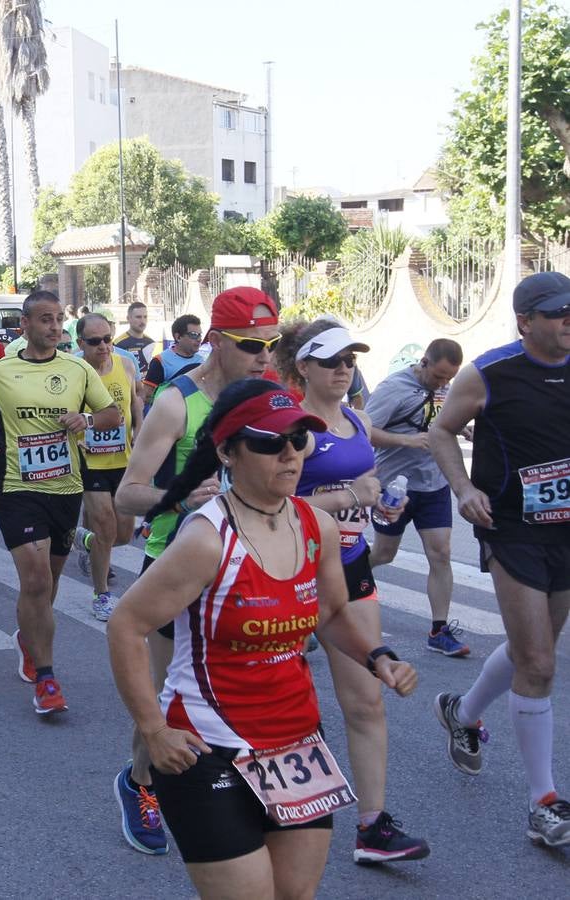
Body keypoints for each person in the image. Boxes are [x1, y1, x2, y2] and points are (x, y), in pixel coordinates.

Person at [108, 378, 418, 900]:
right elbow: (125, 626)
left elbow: (332, 613)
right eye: (270, 442)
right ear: (228, 452)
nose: (290, 454)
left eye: (299, 440)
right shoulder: (206, 540)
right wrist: (154, 730)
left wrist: (376, 655)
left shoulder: (315, 524)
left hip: (296, 743)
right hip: (208, 746)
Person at [111, 286, 281, 856]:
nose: (263, 357)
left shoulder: (268, 396)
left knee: (256, 683)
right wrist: (180, 501)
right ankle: (140, 782)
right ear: (214, 339)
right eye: (251, 344)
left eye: (270, 344)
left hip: (248, 566)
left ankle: (246, 785)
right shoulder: (177, 401)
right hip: (177, 564)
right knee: (165, 696)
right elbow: (127, 495)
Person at [277, 319, 430, 864]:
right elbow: (271, 506)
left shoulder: (359, 421)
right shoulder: (291, 427)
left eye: (351, 361)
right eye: (332, 361)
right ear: (304, 368)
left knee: (366, 697)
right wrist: (346, 496)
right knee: (276, 704)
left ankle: (372, 827)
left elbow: (359, 497)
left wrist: (379, 506)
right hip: (290, 574)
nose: (344, 370)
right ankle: (253, 807)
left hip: (349, 567)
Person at [430, 270, 570, 847]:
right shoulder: (487, 373)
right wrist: (464, 490)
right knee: (538, 662)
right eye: (558, 313)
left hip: (566, 531)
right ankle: (545, 803)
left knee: (529, 648)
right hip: (511, 529)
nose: (568, 321)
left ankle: (463, 711)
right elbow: (442, 433)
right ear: (526, 321)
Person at [0, 290, 119, 714]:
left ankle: (28, 637)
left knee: (47, 585)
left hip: (66, 489)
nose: (54, 327)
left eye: (58, 320)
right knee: (33, 581)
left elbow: (113, 415)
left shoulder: (77, 369)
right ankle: (48, 679)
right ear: (26, 325)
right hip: (17, 487)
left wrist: (85, 419)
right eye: (46, 319)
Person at [365, 337, 469, 656]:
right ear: (423, 362)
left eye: (449, 379)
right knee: (384, 554)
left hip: (434, 484)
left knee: (441, 553)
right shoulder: (392, 388)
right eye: (438, 377)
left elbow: (444, 419)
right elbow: (364, 430)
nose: (443, 384)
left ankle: (439, 630)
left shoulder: (445, 389)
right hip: (394, 486)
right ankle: (337, 576)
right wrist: (406, 441)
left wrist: (463, 429)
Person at [70, 314, 144, 620]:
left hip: (123, 460)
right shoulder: (75, 371)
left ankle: (84, 539)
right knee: (104, 527)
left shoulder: (125, 365)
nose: (104, 346)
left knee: (123, 535)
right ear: (80, 344)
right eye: (95, 341)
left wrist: (140, 428)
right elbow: (66, 411)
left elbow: (136, 396)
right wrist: (80, 435)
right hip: (91, 463)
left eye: (108, 339)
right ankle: (101, 595)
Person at [142, 314, 206, 401]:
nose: (199, 339)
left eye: (200, 335)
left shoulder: (201, 360)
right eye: (194, 334)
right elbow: (147, 396)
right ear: (178, 337)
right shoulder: (161, 361)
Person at [114, 301, 156, 378]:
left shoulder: (151, 342)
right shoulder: (118, 344)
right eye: (138, 317)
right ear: (128, 318)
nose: (143, 321)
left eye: (145, 317)